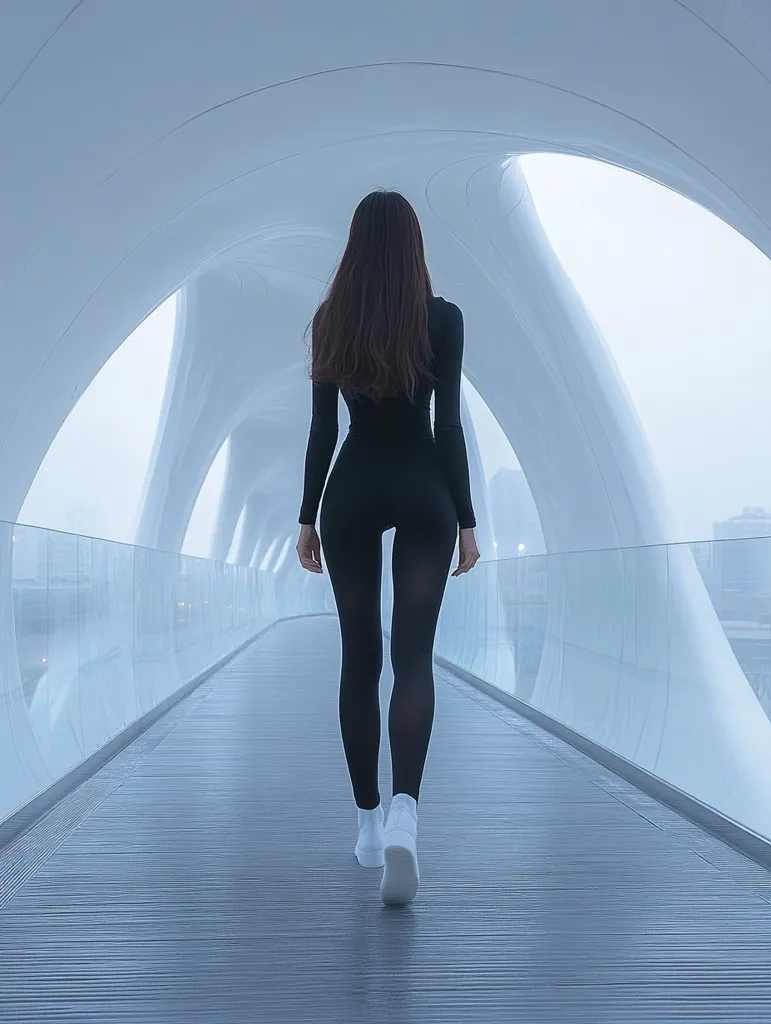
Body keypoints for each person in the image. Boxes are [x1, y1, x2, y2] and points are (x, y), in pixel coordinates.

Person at [296, 189, 479, 906]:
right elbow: (449, 426)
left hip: (351, 490)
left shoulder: (330, 321)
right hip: (425, 488)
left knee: (359, 658)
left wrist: (306, 518)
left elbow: (322, 431)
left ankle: (369, 826)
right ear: (413, 246)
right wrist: (467, 519)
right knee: (413, 660)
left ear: (355, 248)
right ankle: (407, 811)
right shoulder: (443, 318)